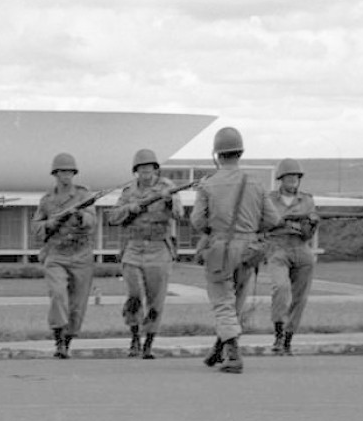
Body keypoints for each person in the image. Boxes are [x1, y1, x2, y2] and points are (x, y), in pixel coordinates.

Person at [191, 127, 281, 374]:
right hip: (250, 249)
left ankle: (233, 355)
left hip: (220, 249)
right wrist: (250, 229)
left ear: (217, 155)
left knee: (222, 303)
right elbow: (273, 219)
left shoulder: (208, 184)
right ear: (239, 152)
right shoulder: (255, 183)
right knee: (236, 303)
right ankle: (219, 349)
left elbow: (198, 220)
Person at [108, 149, 182, 359]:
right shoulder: (128, 192)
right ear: (136, 171)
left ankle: (149, 342)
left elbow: (179, 213)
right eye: (141, 168)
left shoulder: (167, 188)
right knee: (134, 295)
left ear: (155, 169)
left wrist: (168, 201)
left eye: (149, 168)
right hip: (133, 247)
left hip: (158, 247)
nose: (145, 172)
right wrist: (130, 208)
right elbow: (113, 217)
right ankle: (134, 337)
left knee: (156, 298)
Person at [32, 153, 99, 359]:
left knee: (78, 304)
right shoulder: (47, 200)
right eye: (62, 172)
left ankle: (68, 341)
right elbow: (36, 227)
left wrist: (78, 215)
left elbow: (91, 220)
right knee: (58, 294)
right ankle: (59, 339)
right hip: (56, 254)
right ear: (55, 174)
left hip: (81, 254)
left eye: (69, 172)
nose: (66, 176)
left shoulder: (83, 196)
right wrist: (51, 223)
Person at [264, 158, 319, 356]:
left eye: (296, 177)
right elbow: (265, 223)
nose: (293, 180)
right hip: (278, 247)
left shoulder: (307, 200)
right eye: (289, 176)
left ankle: (288, 337)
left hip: (301, 247)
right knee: (280, 287)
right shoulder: (270, 199)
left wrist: (308, 224)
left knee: (300, 297)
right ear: (281, 178)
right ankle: (278, 331)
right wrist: (283, 223)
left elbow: (310, 227)